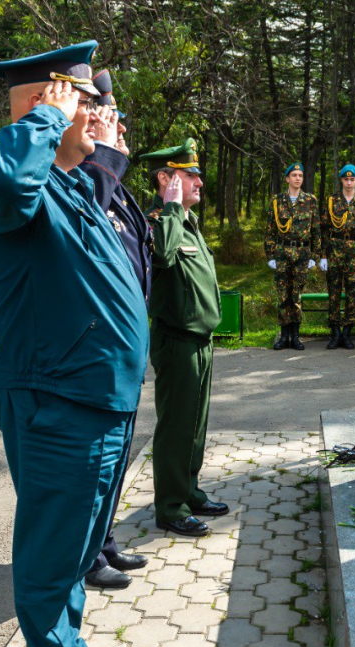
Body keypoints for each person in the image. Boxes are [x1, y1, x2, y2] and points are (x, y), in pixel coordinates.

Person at [0, 41, 148, 647]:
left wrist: (94, 144)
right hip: (56, 398)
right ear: (48, 103)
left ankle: (66, 646)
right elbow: (14, 183)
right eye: (86, 102)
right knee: (52, 544)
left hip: (96, 397)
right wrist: (44, 120)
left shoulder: (71, 185)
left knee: (77, 542)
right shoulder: (6, 181)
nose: (97, 115)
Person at [76, 68, 151, 591]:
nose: (118, 130)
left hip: (123, 355)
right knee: (92, 471)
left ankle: (102, 543)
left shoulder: (114, 187)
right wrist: (103, 158)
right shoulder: (84, 185)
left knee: (116, 463)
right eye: (109, 118)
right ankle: (85, 555)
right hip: (96, 355)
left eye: (116, 118)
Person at [139, 139, 227, 539]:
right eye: (189, 174)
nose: (198, 183)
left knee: (195, 423)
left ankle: (188, 489)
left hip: (200, 340)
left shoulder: (187, 220)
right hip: (176, 340)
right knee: (176, 426)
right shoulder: (159, 220)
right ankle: (169, 507)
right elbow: (164, 257)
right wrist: (172, 207)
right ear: (166, 178)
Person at [265, 163, 320, 351]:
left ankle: (295, 336)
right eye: (294, 175)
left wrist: (315, 255)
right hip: (282, 253)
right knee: (283, 295)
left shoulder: (310, 200)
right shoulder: (277, 200)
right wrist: (270, 254)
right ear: (287, 179)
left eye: (300, 175)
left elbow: (316, 230)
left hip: (302, 254)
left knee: (296, 296)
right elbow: (270, 230)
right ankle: (284, 335)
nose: (298, 178)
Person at [320, 164, 355, 350]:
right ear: (341, 180)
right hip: (334, 249)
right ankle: (334, 333)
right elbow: (324, 229)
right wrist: (323, 255)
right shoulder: (332, 200)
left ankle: (347, 333)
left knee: (352, 293)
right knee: (333, 292)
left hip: (354, 251)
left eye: (352, 179)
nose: (349, 183)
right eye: (345, 179)